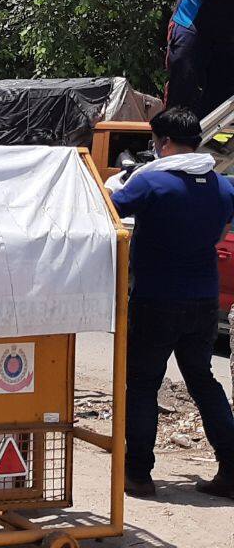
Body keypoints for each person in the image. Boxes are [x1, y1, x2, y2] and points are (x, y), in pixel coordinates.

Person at [110, 106, 234, 499]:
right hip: (203, 303)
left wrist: (125, 177)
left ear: (162, 143)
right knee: (203, 380)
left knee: (143, 386)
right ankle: (231, 470)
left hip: (155, 299)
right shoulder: (224, 187)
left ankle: (138, 475)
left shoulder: (152, 186)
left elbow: (111, 209)